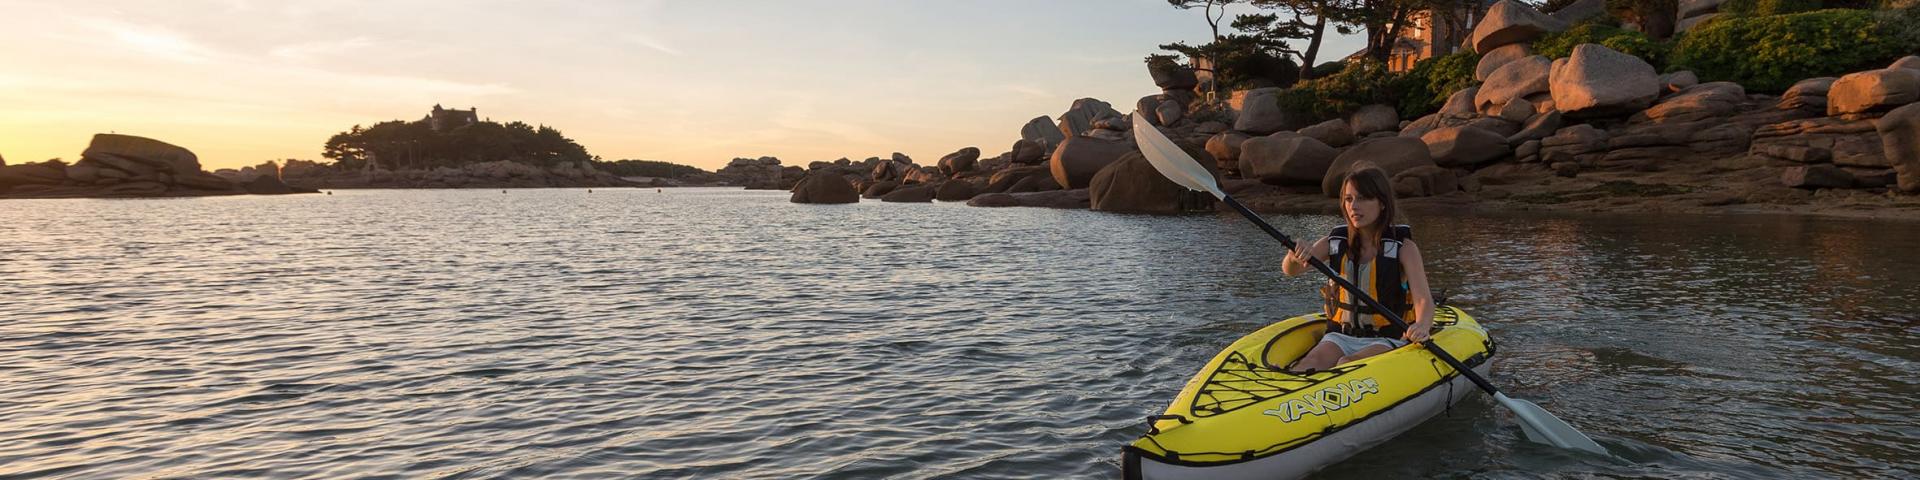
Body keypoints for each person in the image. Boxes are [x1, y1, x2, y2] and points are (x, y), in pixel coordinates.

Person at [1281, 165, 1436, 373]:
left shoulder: (1404, 248)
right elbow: (1291, 271)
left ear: (1381, 203)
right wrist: (1293, 257)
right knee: (1306, 365)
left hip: (1386, 338)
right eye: (1348, 199)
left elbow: (1423, 300)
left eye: (1363, 198)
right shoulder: (1334, 242)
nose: (1354, 206)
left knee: (1346, 364)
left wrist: (1422, 326)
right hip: (1340, 335)